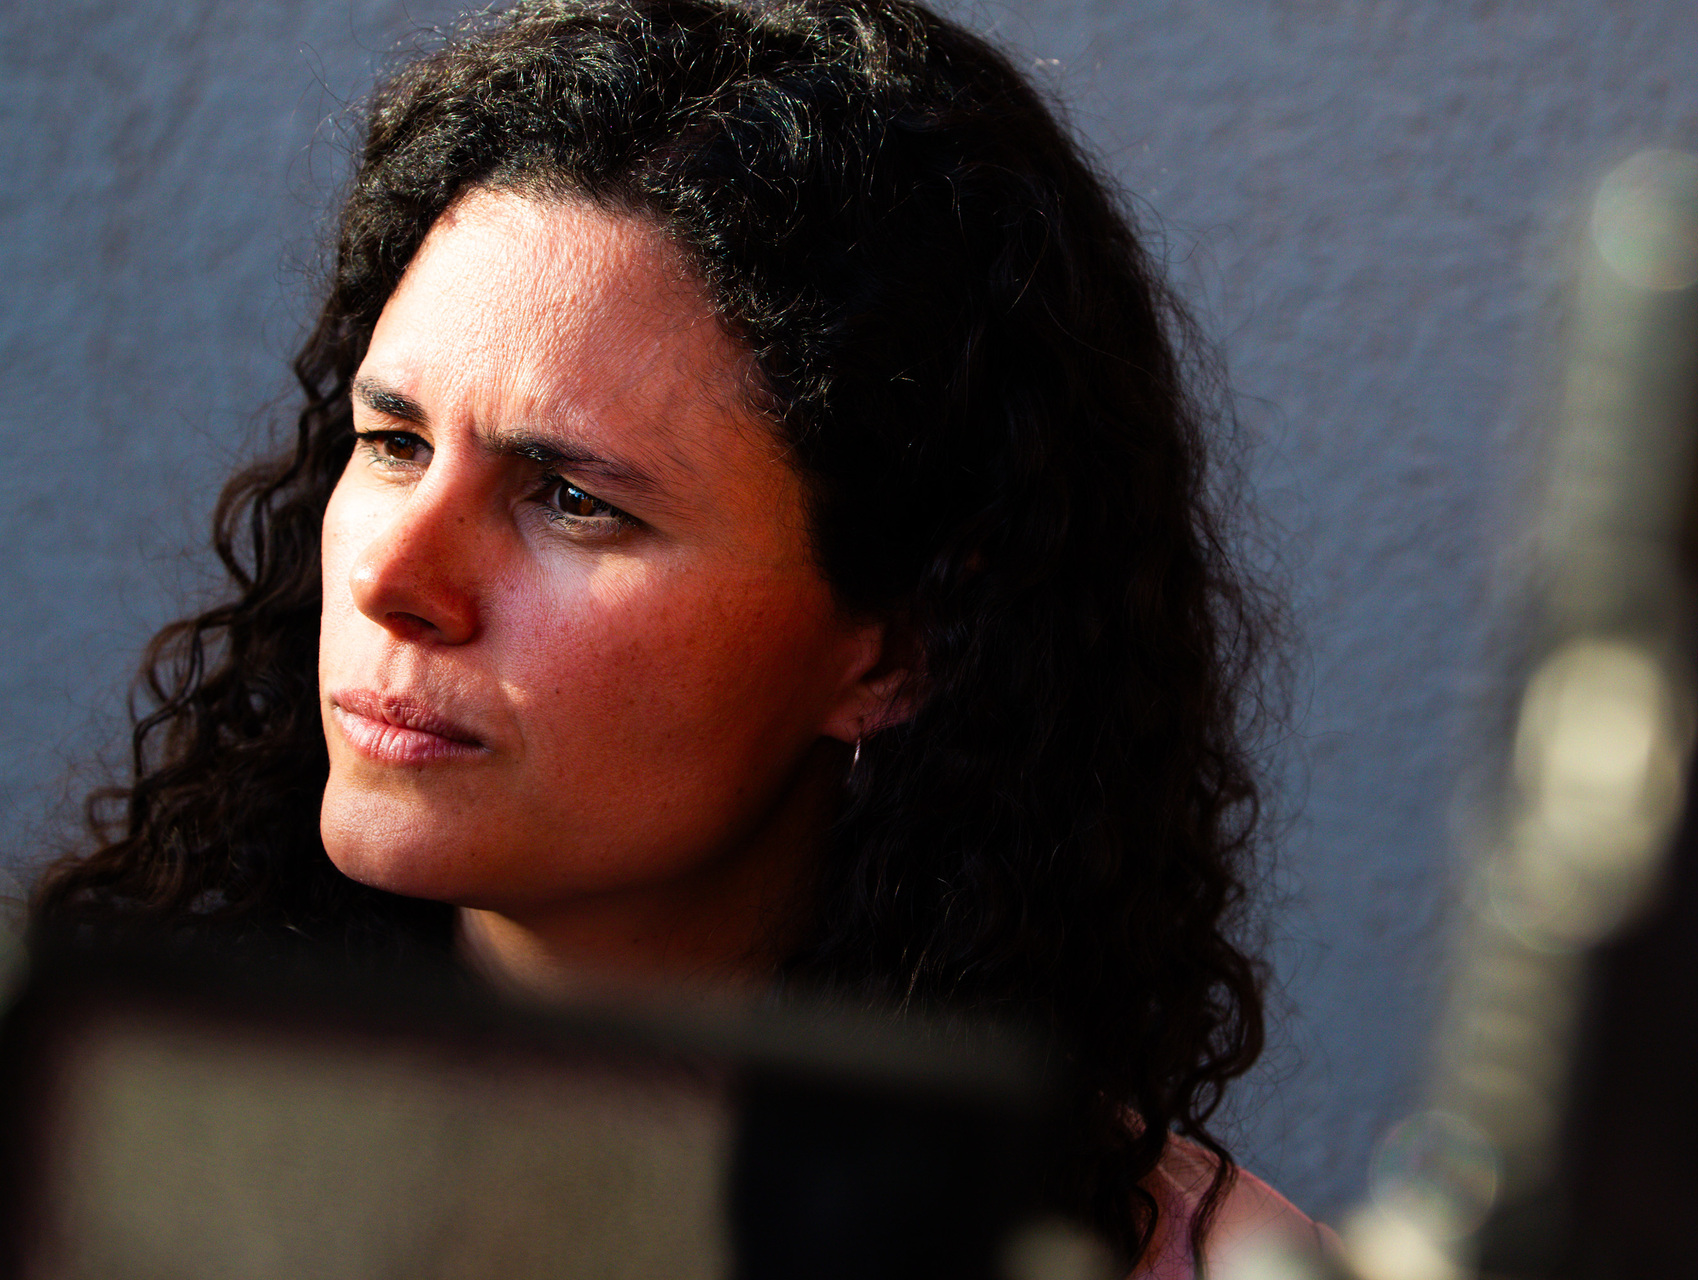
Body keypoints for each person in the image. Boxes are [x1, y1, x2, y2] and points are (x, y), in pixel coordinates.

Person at [33, 0, 1333, 1270]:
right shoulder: (66, 1146)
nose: (391, 575)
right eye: (393, 443)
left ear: (900, 648)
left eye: (573, 500)